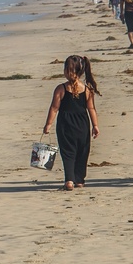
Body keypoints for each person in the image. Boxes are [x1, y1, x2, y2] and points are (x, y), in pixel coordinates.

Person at [42, 55, 100, 190]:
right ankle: (79, 180)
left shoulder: (61, 88)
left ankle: (69, 180)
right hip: (82, 125)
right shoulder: (86, 89)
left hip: (65, 125)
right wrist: (95, 125)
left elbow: (54, 108)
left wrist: (48, 125)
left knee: (68, 152)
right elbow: (91, 108)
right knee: (82, 152)